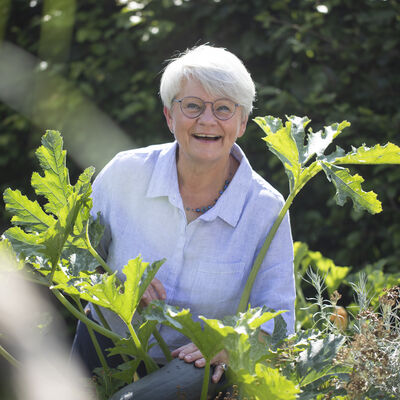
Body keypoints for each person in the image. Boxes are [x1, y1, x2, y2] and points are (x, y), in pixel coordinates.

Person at [71, 44, 296, 384]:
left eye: (223, 108)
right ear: (169, 116)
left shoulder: (266, 208)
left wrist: (231, 343)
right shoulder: (124, 174)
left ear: (243, 122)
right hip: (105, 350)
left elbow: (278, 323)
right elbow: (72, 261)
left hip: (193, 375)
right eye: (192, 106)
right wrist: (115, 286)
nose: (207, 120)